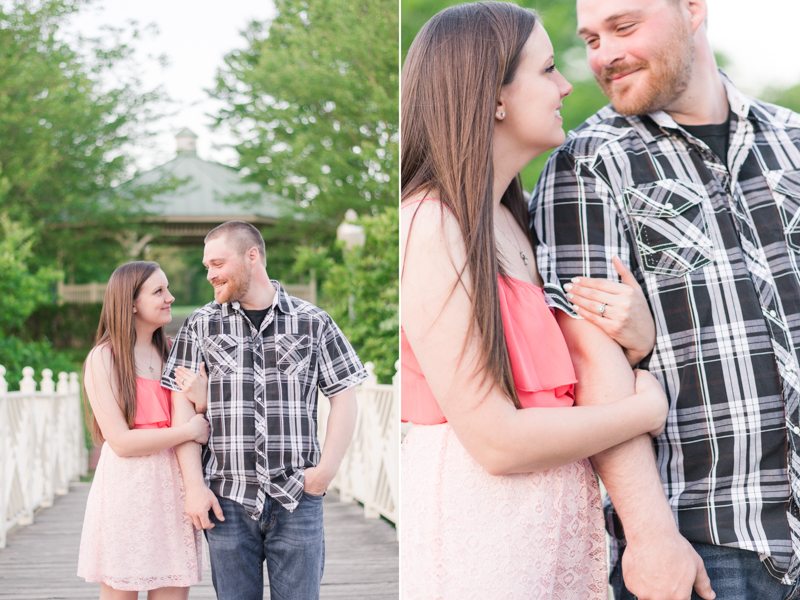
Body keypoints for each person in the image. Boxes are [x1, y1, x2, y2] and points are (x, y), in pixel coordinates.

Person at [400, 3, 671, 598]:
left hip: (548, 536)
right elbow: (496, 442)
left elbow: (559, 373)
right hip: (483, 537)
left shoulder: (506, 222)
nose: (567, 84)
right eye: (547, 69)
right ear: (492, 95)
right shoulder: (428, 226)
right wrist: (644, 412)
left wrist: (638, 342)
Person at [530, 0, 800, 598]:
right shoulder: (584, 164)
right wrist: (650, 538)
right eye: (592, 38)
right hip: (707, 543)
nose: (604, 54)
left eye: (624, 27)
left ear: (693, 10)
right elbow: (587, 363)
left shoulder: (793, 144)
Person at [160, 220, 366, 600]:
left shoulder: (313, 322)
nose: (210, 275)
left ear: (251, 256)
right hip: (227, 499)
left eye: (217, 264)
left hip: (297, 496)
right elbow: (180, 407)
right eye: (207, 266)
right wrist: (193, 487)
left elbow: (344, 395)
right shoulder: (200, 325)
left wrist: (325, 473)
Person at [77, 261, 210, 599]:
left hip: (173, 489)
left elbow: (205, 425)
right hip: (127, 491)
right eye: (159, 291)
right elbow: (121, 442)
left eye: (167, 289)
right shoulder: (104, 359)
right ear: (131, 302)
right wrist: (188, 430)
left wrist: (203, 402)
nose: (171, 297)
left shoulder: (174, 352)